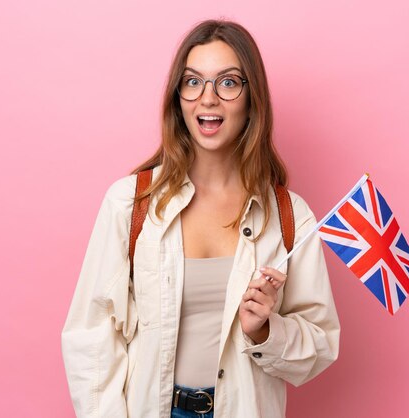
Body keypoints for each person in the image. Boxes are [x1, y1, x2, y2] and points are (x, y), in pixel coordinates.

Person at [61, 19, 340, 418]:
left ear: (251, 98)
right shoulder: (130, 203)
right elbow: (90, 338)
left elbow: (319, 344)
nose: (207, 98)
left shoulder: (288, 215)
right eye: (193, 82)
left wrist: (264, 330)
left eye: (227, 83)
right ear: (178, 97)